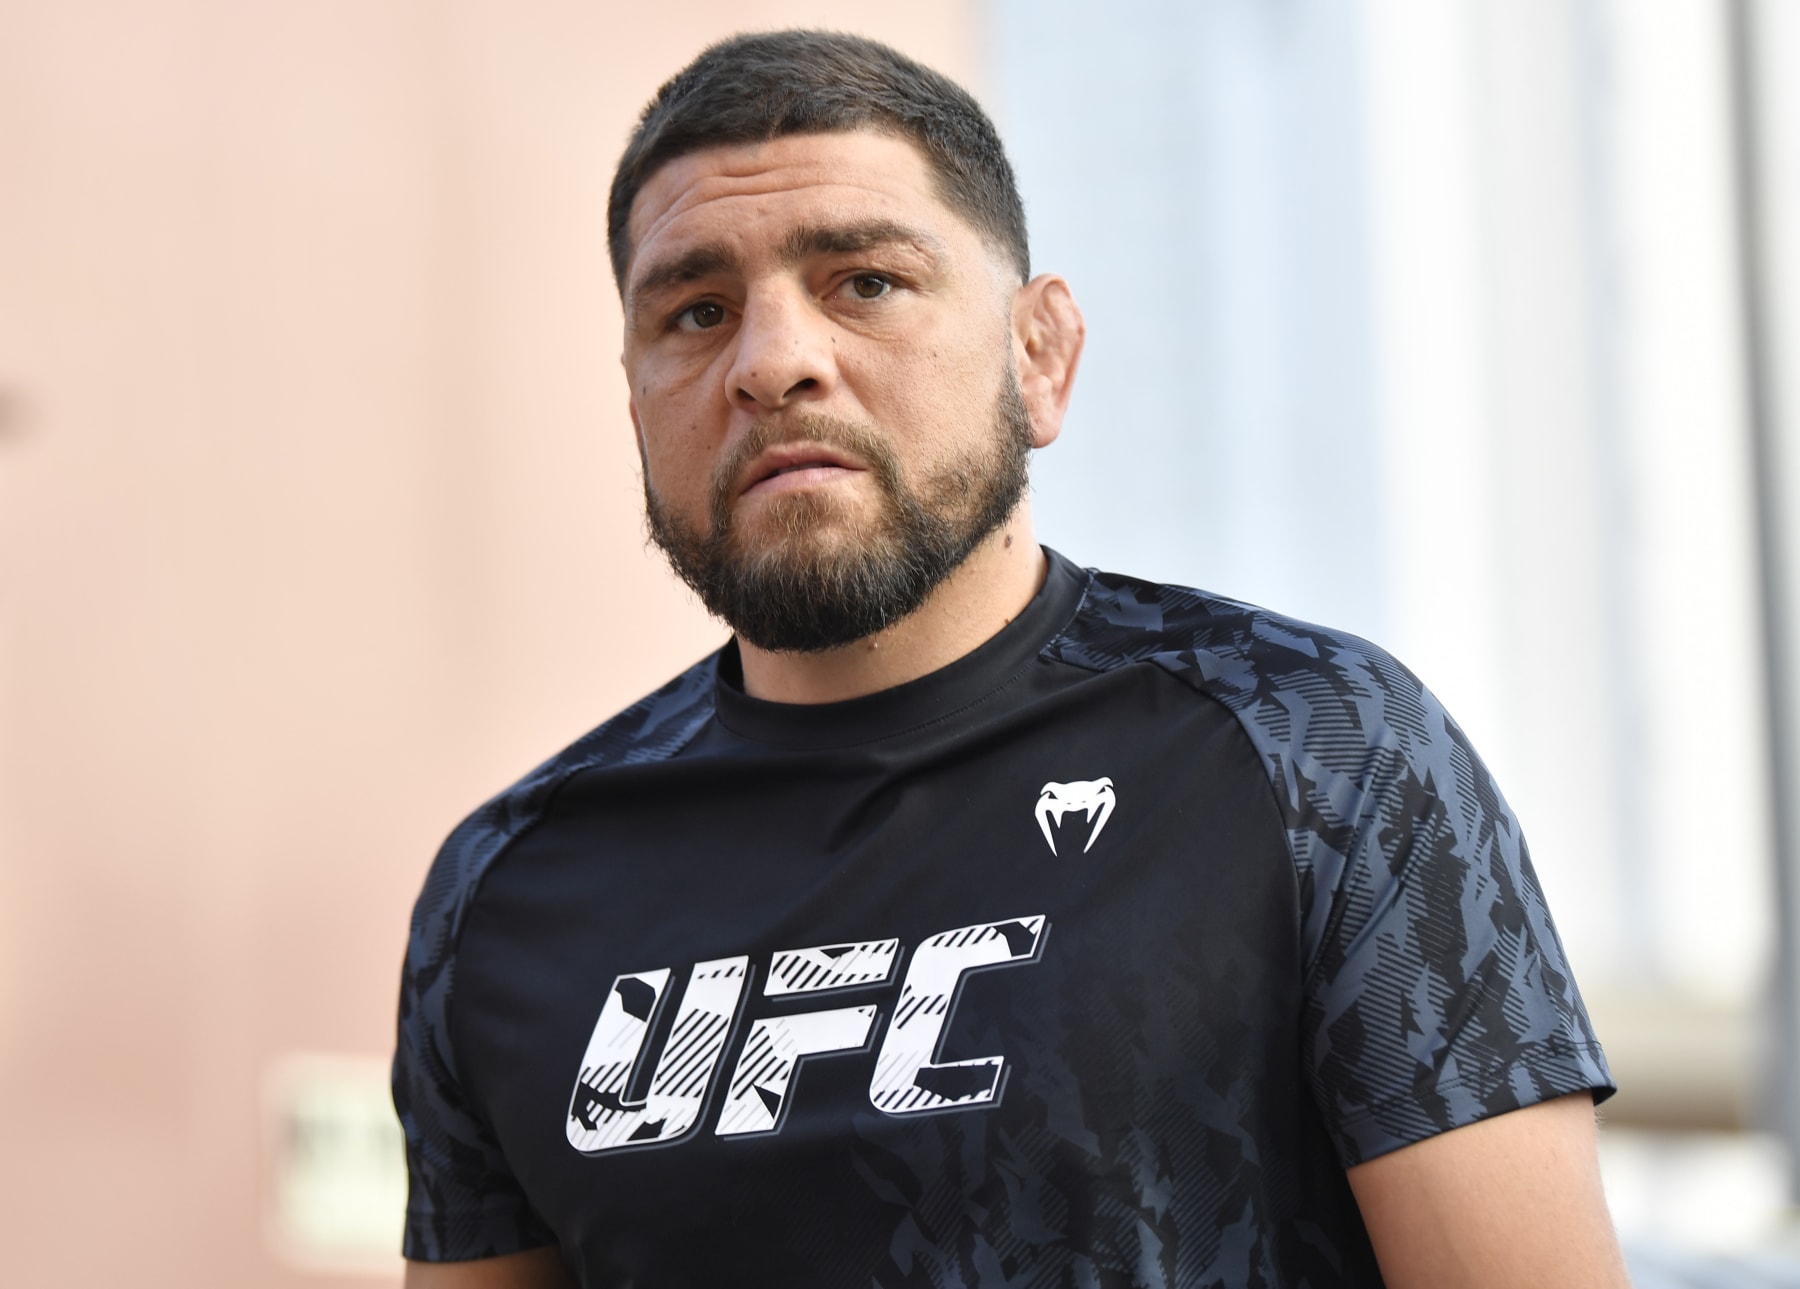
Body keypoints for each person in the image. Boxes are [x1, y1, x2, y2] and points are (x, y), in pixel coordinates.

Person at [393, 30, 1628, 1289]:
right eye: (697, 312)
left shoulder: (1315, 754)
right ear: (635, 398)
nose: (771, 361)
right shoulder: (509, 890)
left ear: (1039, 356)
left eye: (864, 281)